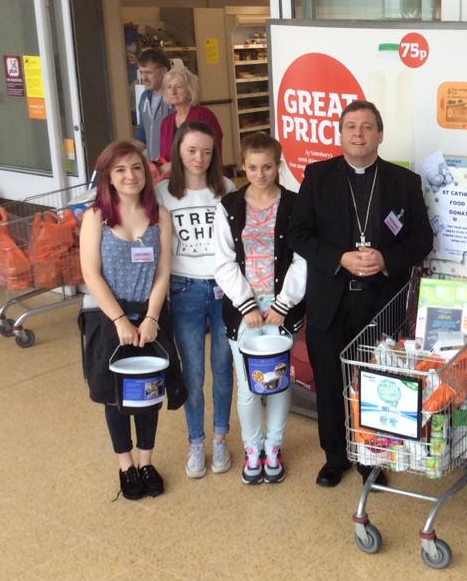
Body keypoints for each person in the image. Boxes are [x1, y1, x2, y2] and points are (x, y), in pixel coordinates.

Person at [286, 100, 433, 488]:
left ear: (380, 135)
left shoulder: (405, 182)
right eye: (351, 126)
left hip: (380, 302)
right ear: (340, 133)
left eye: (367, 127)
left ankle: (372, 459)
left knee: (376, 383)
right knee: (331, 384)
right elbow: (298, 234)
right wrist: (340, 258)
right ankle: (335, 457)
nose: (358, 134)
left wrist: (385, 257)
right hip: (330, 300)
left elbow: (422, 239)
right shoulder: (317, 176)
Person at [78, 140, 185, 500]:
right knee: (115, 396)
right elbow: (91, 274)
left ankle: (146, 461)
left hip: (149, 314)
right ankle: (126, 467)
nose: (129, 176)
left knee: (148, 392)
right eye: (120, 169)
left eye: (136, 168)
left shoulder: (160, 216)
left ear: (147, 172)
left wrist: (152, 317)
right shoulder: (96, 216)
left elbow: (163, 272)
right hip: (107, 315)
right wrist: (121, 320)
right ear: (108, 175)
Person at [215, 133, 307, 484]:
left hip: (282, 313)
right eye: (252, 167)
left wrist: (283, 304)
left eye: (267, 166)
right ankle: (252, 447)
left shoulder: (296, 206)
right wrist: (247, 304)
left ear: (278, 165)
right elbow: (223, 262)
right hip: (244, 315)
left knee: (279, 382)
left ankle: (274, 445)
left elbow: (303, 258)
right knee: (249, 386)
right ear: (243, 166)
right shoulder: (228, 206)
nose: (260, 173)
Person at [155, 120, 237, 479]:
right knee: (192, 371)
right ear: (178, 151)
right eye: (191, 150)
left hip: (223, 288)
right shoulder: (162, 194)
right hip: (184, 287)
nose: (199, 158)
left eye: (206, 151)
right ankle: (195, 442)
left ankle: (220, 437)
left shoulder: (228, 189)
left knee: (222, 367)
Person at [158, 67, 224, 173]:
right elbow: (163, 159)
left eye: (178, 87)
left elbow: (211, 153)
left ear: (190, 90)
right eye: (169, 87)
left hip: (203, 178)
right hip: (174, 181)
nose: (173, 92)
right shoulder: (166, 123)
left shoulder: (203, 115)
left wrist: (173, 166)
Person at [134, 48, 173, 163]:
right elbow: (142, 135)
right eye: (141, 72)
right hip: (154, 167)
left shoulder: (174, 98)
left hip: (173, 168)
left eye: (148, 73)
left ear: (163, 72)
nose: (144, 78)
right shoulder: (144, 98)